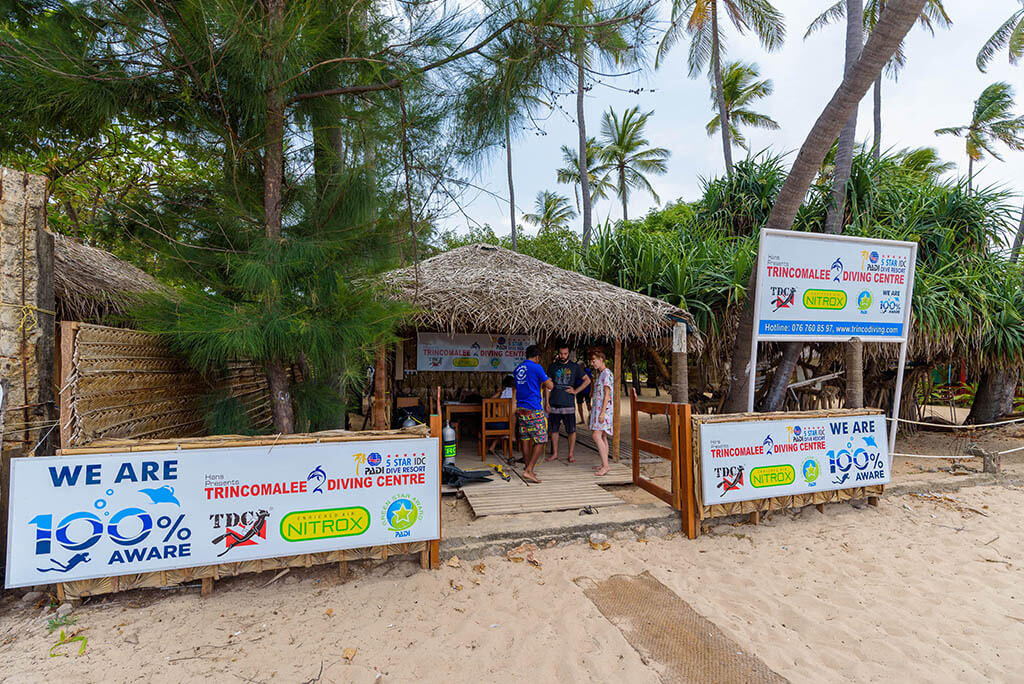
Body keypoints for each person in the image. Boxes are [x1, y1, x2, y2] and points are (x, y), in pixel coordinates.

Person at [514, 345, 553, 483]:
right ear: (537, 357)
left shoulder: (518, 368)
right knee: (541, 439)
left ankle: (527, 467)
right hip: (534, 409)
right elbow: (550, 385)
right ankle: (529, 470)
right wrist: (549, 381)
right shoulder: (537, 367)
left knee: (525, 439)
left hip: (521, 410)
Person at [545, 344, 590, 463]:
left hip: (568, 403)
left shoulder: (575, 367)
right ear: (558, 353)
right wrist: (547, 402)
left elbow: (587, 380)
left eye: (565, 354)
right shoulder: (552, 367)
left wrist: (576, 391)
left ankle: (570, 454)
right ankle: (555, 453)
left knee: (571, 430)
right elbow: (547, 385)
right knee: (554, 430)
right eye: (561, 353)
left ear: (568, 353)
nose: (563, 356)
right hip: (554, 402)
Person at [589, 349, 614, 477]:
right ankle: (604, 463)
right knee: (602, 436)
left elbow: (607, 395)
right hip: (599, 409)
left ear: (601, 360)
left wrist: (603, 413)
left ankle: (606, 466)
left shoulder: (607, 374)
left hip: (604, 410)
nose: (593, 363)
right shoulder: (600, 374)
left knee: (596, 435)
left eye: (594, 361)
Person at [485, 375, 515, 458]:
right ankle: (511, 435)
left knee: (506, 424)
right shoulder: (514, 394)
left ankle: (492, 446)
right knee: (512, 419)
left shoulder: (501, 392)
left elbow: (488, 401)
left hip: (490, 423)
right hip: (502, 425)